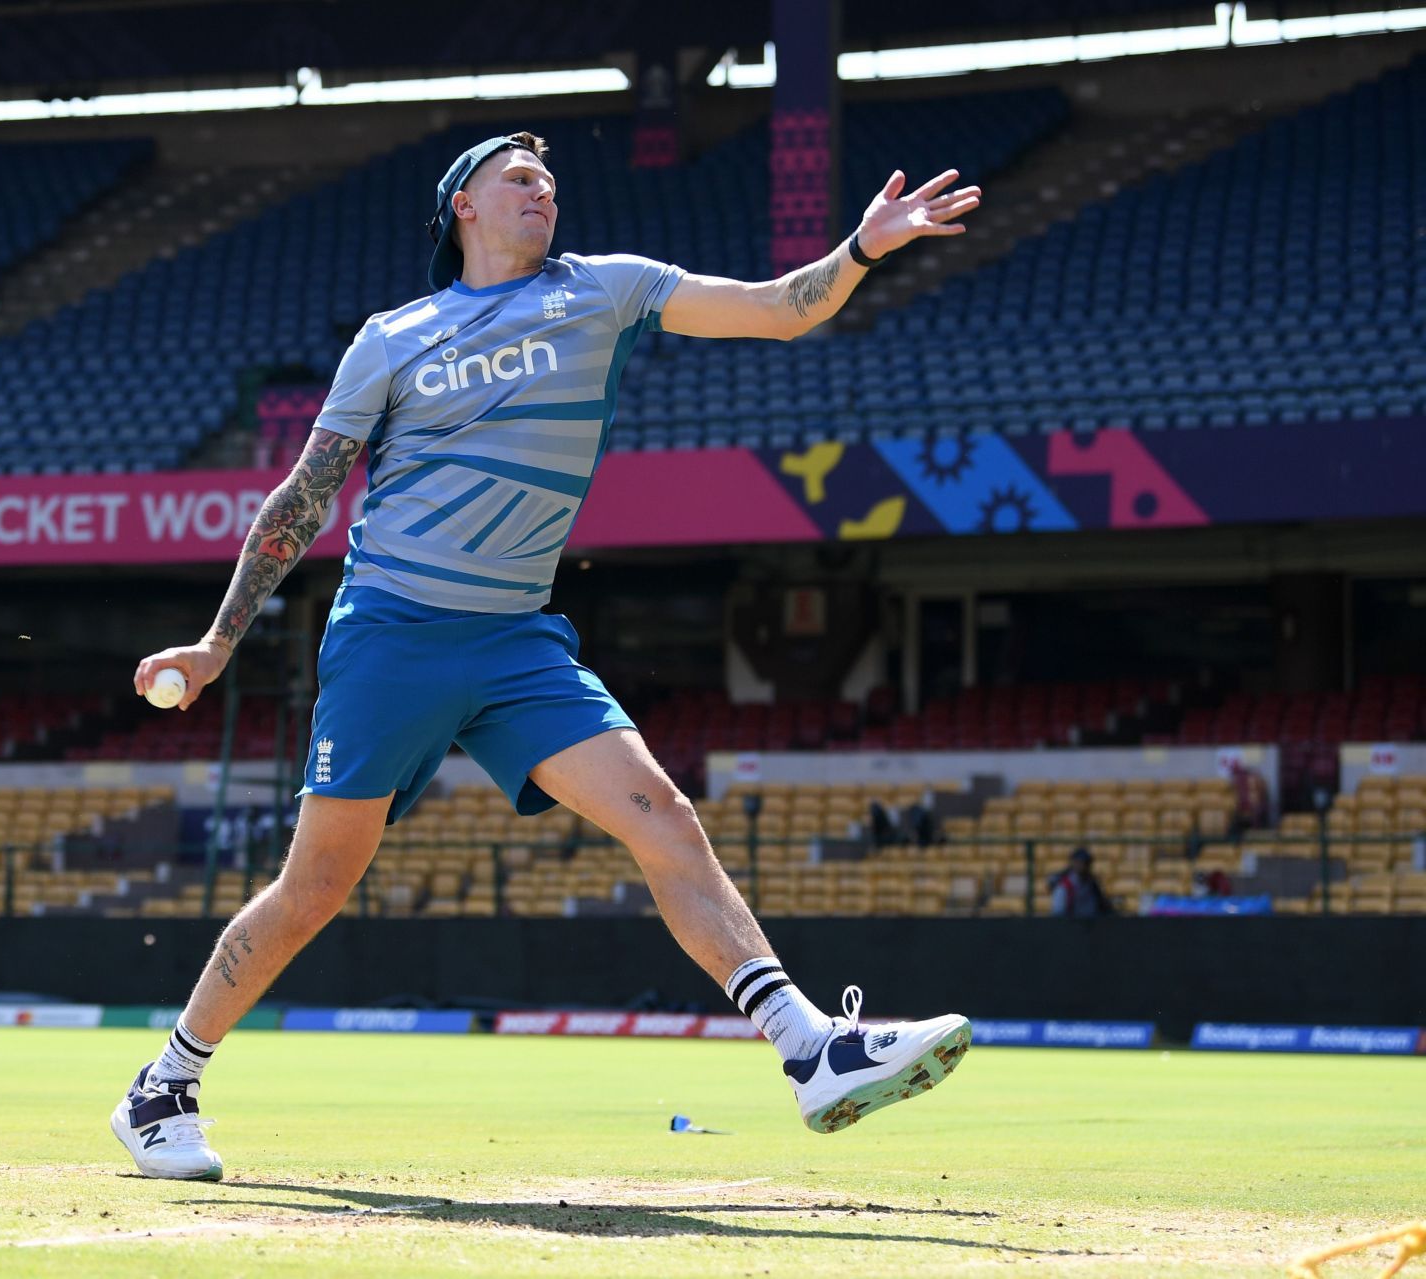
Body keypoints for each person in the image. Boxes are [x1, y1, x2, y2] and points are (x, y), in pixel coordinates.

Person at [117, 131, 984, 1180]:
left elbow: (777, 307)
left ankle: (812, 1049)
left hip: (518, 637)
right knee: (315, 887)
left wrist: (860, 248)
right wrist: (218, 641)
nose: (544, 193)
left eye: (551, 182)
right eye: (519, 179)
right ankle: (163, 1085)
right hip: (392, 629)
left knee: (661, 812)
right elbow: (300, 502)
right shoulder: (393, 338)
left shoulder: (606, 290)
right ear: (463, 208)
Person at [1048, 847, 1114, 917]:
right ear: (1073, 863)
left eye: (1086, 863)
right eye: (1079, 862)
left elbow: (1102, 905)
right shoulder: (1065, 885)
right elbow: (1059, 912)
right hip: (1070, 923)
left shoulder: (1092, 884)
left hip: (1091, 923)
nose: (1082, 866)